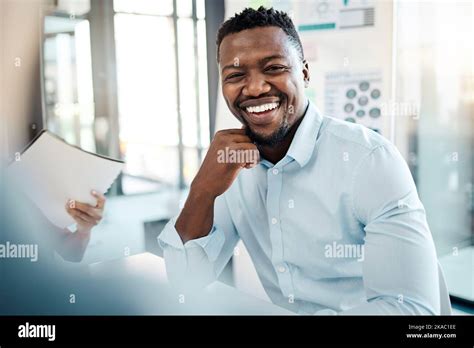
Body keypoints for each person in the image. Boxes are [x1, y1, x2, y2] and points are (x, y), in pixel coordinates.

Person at [158, 7, 440, 314]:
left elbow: (414, 312)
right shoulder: (229, 166)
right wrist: (202, 190)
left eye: (274, 68)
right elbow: (186, 283)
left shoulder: (370, 161)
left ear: (304, 73)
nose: (254, 88)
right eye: (236, 75)